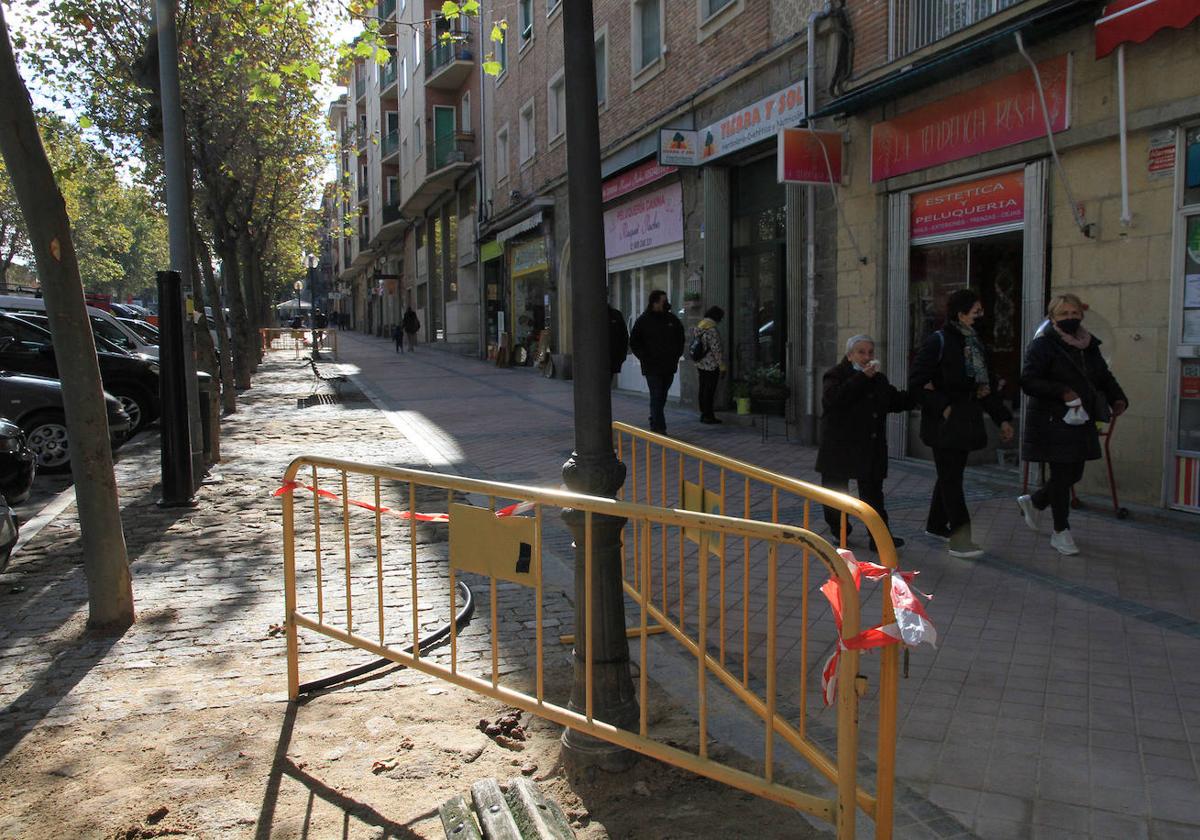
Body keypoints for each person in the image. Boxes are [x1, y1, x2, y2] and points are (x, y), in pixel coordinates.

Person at [1017, 294, 1128, 555]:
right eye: (1063, 314)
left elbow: (1103, 375)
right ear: (1052, 317)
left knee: (1073, 474)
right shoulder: (1042, 346)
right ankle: (1061, 531)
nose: (1070, 318)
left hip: (1082, 417)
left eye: (1074, 313)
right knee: (1062, 474)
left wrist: (1118, 397)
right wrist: (1062, 391)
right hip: (1053, 419)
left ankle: (1035, 501)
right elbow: (1028, 381)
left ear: (1082, 315)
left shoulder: (1088, 345)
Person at [909, 288, 1014, 559]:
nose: (981, 317)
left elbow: (985, 387)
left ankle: (935, 524)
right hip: (943, 423)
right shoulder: (939, 341)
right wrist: (943, 406)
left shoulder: (977, 345)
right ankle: (960, 538)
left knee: (950, 475)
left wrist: (1003, 418)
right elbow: (917, 382)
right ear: (961, 314)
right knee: (951, 478)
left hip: (966, 421)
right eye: (976, 312)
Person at [816, 334, 916, 550]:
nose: (866, 357)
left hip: (869, 446)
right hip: (840, 446)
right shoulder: (835, 375)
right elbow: (833, 400)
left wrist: (920, 395)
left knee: (873, 496)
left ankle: (879, 538)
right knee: (836, 494)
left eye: (870, 352)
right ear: (850, 354)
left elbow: (894, 400)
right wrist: (860, 378)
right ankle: (839, 531)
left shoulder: (878, 379)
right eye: (861, 352)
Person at [629, 290, 685, 434]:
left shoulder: (672, 320)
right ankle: (659, 427)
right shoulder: (643, 320)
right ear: (655, 303)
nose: (666, 304)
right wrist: (644, 356)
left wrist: (676, 355)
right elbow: (634, 341)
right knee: (657, 394)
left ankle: (655, 418)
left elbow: (680, 338)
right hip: (652, 366)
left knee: (662, 395)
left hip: (668, 366)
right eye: (663, 301)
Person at [693, 306, 725, 424]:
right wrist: (722, 366)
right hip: (711, 365)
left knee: (703, 388)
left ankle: (703, 413)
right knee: (710, 391)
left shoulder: (699, 327)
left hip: (701, 363)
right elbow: (716, 350)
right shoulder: (712, 330)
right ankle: (709, 415)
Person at [608, 305, 629, 375]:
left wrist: (622, 357)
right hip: (596, 360)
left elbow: (624, 336)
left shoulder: (615, 314)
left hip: (613, 359)